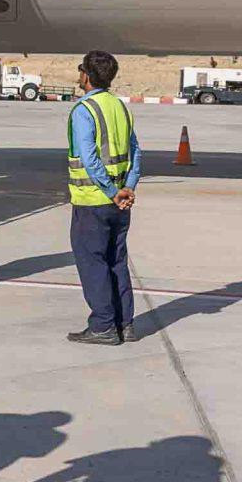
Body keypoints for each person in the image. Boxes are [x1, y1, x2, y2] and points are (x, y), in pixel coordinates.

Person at [66, 50, 142, 346]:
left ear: (85, 75)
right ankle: (126, 324)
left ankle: (102, 326)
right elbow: (136, 153)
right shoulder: (120, 108)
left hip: (92, 201)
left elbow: (89, 158)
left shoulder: (84, 110)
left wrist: (111, 191)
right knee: (117, 260)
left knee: (92, 261)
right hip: (121, 204)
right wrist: (128, 187)